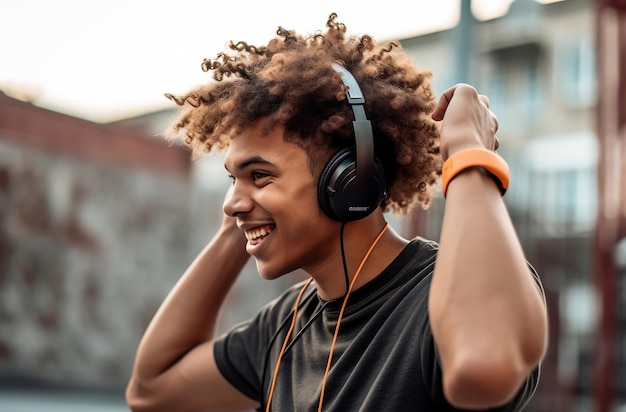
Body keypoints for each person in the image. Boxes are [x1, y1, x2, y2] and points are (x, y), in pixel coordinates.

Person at [126, 13, 548, 412]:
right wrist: (238, 224)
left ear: (350, 180)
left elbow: (484, 365)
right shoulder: (286, 325)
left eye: (259, 174)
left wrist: (469, 154)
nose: (231, 201)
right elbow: (152, 391)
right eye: (232, 178)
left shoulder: (454, 289)